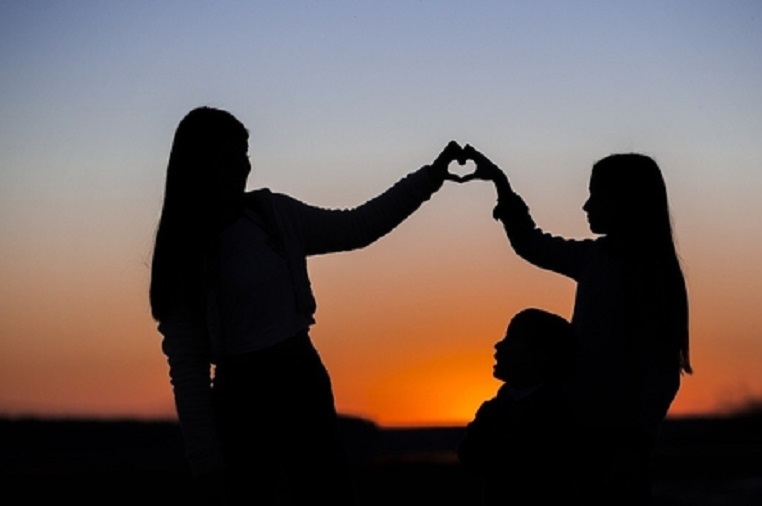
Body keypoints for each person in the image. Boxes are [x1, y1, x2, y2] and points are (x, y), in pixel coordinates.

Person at [149, 105, 465, 505]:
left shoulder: (273, 214)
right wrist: (206, 462)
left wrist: (430, 177)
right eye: (229, 158)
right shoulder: (184, 255)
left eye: (245, 155)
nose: (243, 167)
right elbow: (187, 369)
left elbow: (357, 227)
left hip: (303, 382)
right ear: (199, 167)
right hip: (242, 403)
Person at [461, 146, 692, 504]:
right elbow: (532, 244)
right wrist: (501, 186)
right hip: (574, 430)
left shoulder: (653, 276)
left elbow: (663, 372)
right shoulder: (594, 257)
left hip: (615, 442)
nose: (586, 206)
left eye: (596, 195)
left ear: (627, 201)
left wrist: (635, 445)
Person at [457, 307, 580, 505]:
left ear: (540, 356)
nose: (498, 345)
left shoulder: (559, 411)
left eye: (511, 339)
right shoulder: (493, 409)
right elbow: (469, 456)